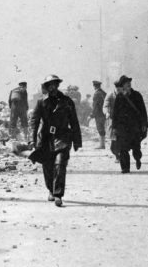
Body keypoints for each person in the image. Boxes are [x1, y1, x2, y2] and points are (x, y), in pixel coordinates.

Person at [29, 74, 82, 207]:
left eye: (55, 84)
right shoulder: (41, 102)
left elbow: (74, 121)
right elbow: (34, 122)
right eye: (50, 85)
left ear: (58, 85)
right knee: (47, 166)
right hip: (46, 137)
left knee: (60, 164)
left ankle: (58, 194)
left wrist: (77, 141)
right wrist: (32, 139)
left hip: (63, 137)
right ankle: (51, 190)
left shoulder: (67, 101)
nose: (52, 87)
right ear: (46, 87)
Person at [108, 75, 148, 173]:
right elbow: (115, 113)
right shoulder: (119, 97)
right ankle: (125, 168)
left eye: (129, 83)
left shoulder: (137, 95)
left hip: (134, 126)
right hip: (122, 127)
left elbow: (143, 110)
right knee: (123, 148)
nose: (129, 84)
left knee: (136, 146)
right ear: (122, 86)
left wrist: (144, 124)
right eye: (126, 83)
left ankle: (137, 159)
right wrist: (114, 127)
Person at [91, 80, 107, 149]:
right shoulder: (104, 93)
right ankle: (102, 144)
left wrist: (92, 115)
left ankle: (102, 145)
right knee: (104, 128)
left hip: (99, 114)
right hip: (104, 113)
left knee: (100, 129)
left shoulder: (97, 94)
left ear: (94, 86)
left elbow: (95, 105)